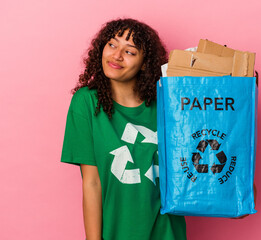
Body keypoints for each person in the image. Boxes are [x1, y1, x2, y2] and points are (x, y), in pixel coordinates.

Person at [61, 18, 186, 240]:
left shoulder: (169, 104)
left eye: (130, 51)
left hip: (166, 232)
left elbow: (191, 165)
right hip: (115, 232)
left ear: (145, 62)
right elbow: (92, 182)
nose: (116, 55)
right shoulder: (87, 103)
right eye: (112, 44)